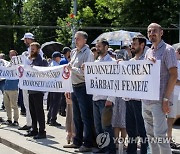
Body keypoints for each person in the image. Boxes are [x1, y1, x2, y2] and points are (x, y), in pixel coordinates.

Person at [142, 23, 177, 154]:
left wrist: (166, 98)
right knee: (150, 137)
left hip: (159, 100)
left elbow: (174, 75)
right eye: (149, 31)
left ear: (161, 32)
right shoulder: (148, 52)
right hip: (146, 101)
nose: (152, 33)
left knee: (161, 136)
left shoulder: (168, 50)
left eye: (154, 31)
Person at [63, 31, 94, 152]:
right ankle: (77, 141)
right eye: (75, 39)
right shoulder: (74, 52)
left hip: (84, 87)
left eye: (78, 39)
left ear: (85, 40)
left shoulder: (88, 54)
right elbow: (71, 70)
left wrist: (73, 68)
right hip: (74, 87)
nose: (76, 41)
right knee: (76, 116)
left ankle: (87, 143)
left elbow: (86, 73)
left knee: (85, 116)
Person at [125, 35, 148, 154]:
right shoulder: (130, 61)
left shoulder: (148, 60)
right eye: (131, 44)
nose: (131, 47)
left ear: (142, 45)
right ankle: (131, 151)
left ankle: (144, 151)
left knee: (143, 130)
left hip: (141, 100)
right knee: (131, 129)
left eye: (134, 44)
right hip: (129, 99)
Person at [92, 38, 116, 153]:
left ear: (106, 47)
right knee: (98, 127)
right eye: (97, 46)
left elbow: (115, 81)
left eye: (99, 46)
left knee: (106, 126)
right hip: (96, 98)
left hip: (106, 100)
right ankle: (102, 148)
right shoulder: (96, 63)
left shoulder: (111, 62)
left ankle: (110, 150)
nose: (97, 48)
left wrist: (110, 99)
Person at [24, 42, 48, 139]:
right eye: (30, 49)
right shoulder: (29, 60)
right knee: (32, 111)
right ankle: (34, 129)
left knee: (39, 111)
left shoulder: (42, 61)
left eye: (33, 49)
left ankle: (42, 131)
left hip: (38, 90)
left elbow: (45, 74)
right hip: (31, 89)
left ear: (38, 50)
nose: (31, 50)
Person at [167, 46, 180, 149]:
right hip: (173, 94)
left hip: (176, 94)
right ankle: (168, 139)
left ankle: (169, 138)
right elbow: (174, 79)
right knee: (170, 118)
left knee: (173, 117)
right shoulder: (174, 63)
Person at [3, 50, 19, 126]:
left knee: (14, 105)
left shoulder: (18, 65)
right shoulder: (7, 64)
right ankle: (9, 119)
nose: (12, 56)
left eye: (13, 55)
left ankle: (16, 120)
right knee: (7, 105)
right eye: (10, 55)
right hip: (6, 87)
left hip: (14, 87)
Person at [47, 51, 62, 126]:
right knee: (56, 103)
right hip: (56, 86)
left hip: (51, 86)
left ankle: (49, 118)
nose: (60, 59)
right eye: (59, 57)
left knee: (51, 103)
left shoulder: (50, 64)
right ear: (57, 58)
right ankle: (53, 120)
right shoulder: (56, 65)